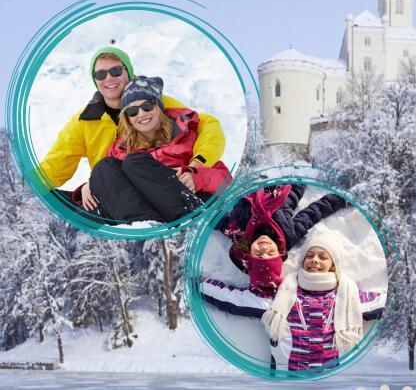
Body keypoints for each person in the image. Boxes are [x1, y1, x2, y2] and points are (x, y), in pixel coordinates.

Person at [37, 46, 225, 212]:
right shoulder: (85, 121)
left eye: (116, 71)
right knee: (57, 203)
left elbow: (205, 125)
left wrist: (198, 163)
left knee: (134, 165)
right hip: (114, 191)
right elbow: (56, 164)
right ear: (95, 80)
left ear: (128, 71)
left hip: (159, 183)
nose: (109, 78)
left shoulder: (152, 100)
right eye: (101, 75)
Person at [201, 232, 385, 373]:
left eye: (323, 256)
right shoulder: (282, 295)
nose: (315, 260)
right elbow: (234, 299)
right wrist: (199, 285)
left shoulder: (347, 297)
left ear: (333, 265)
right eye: (310, 255)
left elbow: (383, 302)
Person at [80, 75, 231, 222]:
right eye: (133, 111)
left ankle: (185, 221)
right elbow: (113, 186)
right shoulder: (120, 149)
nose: (141, 114)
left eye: (147, 106)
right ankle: (144, 229)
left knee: (133, 163)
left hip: (187, 203)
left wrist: (197, 176)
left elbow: (226, 182)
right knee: (103, 168)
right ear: (128, 118)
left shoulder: (188, 135)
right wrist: (91, 184)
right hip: (146, 212)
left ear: (158, 107)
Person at [216, 184, 347, 294]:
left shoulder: (236, 232)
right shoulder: (288, 236)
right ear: (279, 252)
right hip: (287, 188)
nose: (264, 248)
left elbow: (213, 217)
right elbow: (312, 213)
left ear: (248, 253)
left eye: (258, 254)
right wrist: (340, 199)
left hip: (251, 185)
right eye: (271, 253)